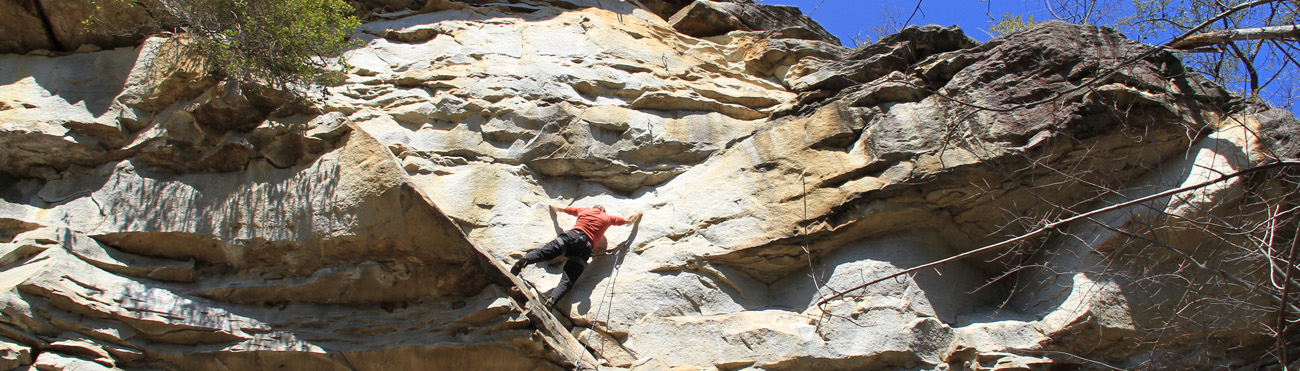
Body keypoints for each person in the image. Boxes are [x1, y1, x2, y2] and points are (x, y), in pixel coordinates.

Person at [511, 204, 643, 307]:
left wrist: (552, 207)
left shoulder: (584, 210)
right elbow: (629, 220)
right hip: (585, 246)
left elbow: (560, 208)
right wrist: (639, 212)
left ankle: (525, 260)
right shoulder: (607, 218)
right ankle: (553, 299)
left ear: (595, 208)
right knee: (568, 279)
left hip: (571, 237)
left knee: (542, 253)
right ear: (603, 210)